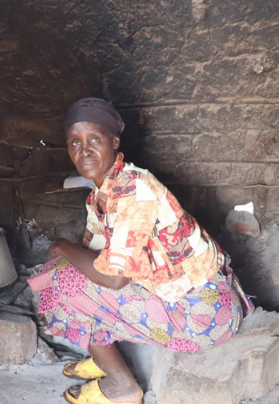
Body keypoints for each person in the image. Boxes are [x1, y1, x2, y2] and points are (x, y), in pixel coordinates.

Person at [29, 97, 254, 404]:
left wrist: (61, 246)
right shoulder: (105, 187)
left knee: (62, 283)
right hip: (187, 299)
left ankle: (123, 386)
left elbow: (114, 280)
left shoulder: (133, 189)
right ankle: (104, 358)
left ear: (114, 141)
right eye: (74, 142)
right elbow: (94, 251)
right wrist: (67, 255)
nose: (84, 150)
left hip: (203, 314)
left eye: (95, 139)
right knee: (62, 272)